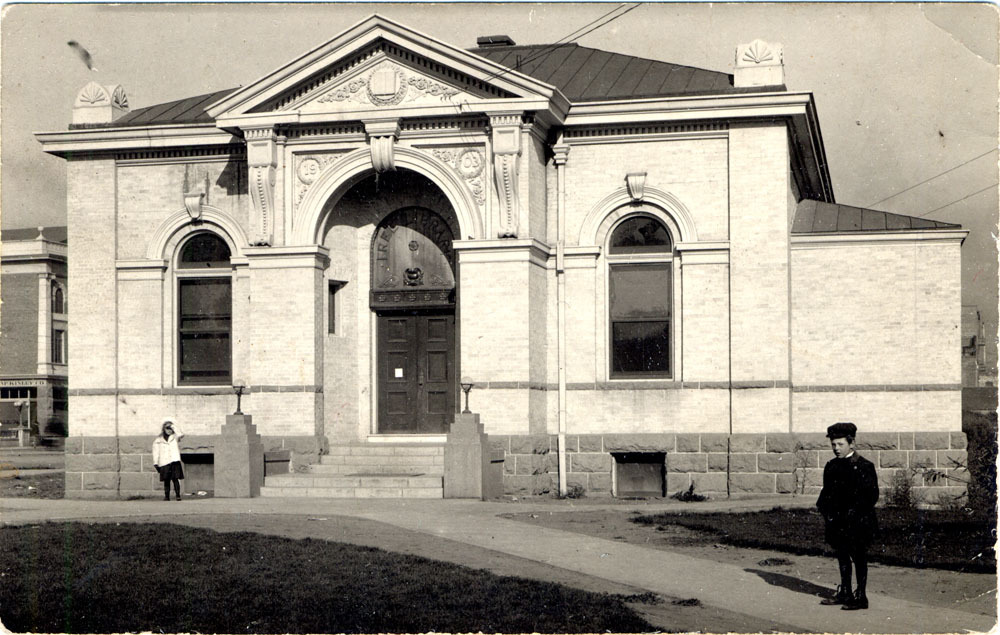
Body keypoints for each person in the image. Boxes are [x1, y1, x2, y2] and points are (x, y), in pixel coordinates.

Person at [816, 422, 879, 610]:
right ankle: (845, 591)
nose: (836, 449)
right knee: (842, 556)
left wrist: (854, 513)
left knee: (859, 557)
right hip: (838, 522)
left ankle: (861, 596)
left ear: (852, 443)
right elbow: (826, 493)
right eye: (833, 445)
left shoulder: (864, 466)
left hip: (858, 523)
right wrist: (825, 510)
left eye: (840, 444)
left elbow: (871, 496)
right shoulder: (831, 466)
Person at [152, 419, 185, 501]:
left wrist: (173, 426)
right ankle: (167, 496)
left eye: (171, 429)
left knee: (175, 479)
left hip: (174, 460)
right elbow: (156, 452)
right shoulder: (158, 440)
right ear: (163, 429)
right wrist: (155, 463)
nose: (169, 430)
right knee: (166, 480)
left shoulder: (175, 437)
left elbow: (181, 434)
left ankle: (178, 495)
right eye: (167, 428)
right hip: (164, 461)